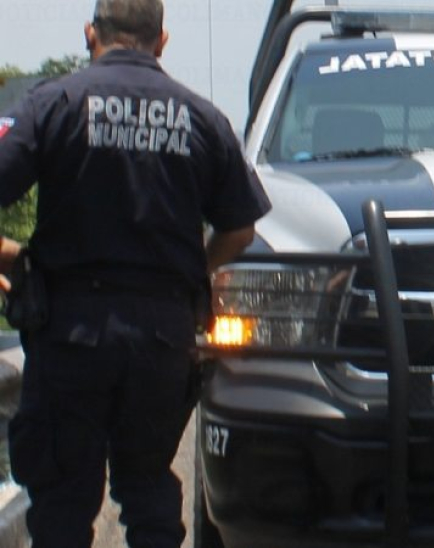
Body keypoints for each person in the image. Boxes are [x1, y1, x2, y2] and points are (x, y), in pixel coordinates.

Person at [0, 0, 271, 546]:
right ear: (162, 41)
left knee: (62, 499)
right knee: (148, 488)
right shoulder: (202, 117)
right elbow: (240, 230)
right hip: (161, 337)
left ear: (90, 34)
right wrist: (193, 269)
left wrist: (10, 256)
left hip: (68, 333)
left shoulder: (53, 103)